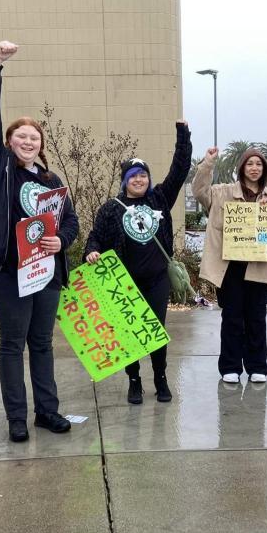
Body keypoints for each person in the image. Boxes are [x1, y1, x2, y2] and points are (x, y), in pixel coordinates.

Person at [0, 41, 80, 443]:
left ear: (41, 143)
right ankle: (17, 417)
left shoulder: (50, 181)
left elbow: (70, 222)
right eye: (21, 136)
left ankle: (47, 412)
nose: (28, 141)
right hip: (8, 272)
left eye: (34, 136)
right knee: (12, 345)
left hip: (45, 274)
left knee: (43, 344)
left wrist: (60, 242)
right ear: (9, 141)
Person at [84, 121, 192, 404]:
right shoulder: (111, 209)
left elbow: (179, 170)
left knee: (156, 331)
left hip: (157, 279)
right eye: (133, 176)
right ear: (125, 181)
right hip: (125, 282)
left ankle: (161, 378)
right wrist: (91, 252)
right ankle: (134, 382)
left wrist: (183, 134)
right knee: (128, 334)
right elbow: (95, 236)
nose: (139, 180)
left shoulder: (159, 199)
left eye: (143, 175)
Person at [192, 146, 267, 384]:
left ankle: (257, 366)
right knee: (232, 317)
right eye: (250, 164)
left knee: (257, 317)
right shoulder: (221, 192)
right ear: (241, 167)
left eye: (259, 164)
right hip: (229, 267)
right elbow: (199, 190)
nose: (254, 168)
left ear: (264, 169)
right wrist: (207, 164)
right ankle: (230, 366)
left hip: (258, 266)